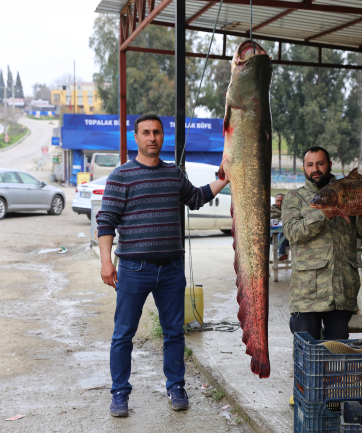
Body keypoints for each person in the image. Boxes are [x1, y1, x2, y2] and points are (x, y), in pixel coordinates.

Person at [96, 114, 229, 417]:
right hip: (133, 268)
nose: (152, 138)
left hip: (171, 269)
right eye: (146, 133)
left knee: (174, 333)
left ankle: (176, 386)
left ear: (163, 136)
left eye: (156, 132)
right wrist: (106, 263)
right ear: (136, 137)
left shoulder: (173, 174)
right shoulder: (121, 176)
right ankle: (119, 393)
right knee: (123, 334)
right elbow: (106, 222)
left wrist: (225, 178)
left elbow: (195, 198)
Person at [283, 146, 362, 341]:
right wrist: (321, 215)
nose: (315, 168)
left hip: (342, 289)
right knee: (306, 350)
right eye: (310, 164)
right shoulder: (295, 198)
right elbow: (293, 233)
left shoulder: (348, 192)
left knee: (337, 350)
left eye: (320, 163)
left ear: (329, 165)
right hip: (307, 292)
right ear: (304, 168)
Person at [270, 193, 289, 260]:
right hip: (273, 238)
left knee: (284, 231)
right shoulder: (270, 211)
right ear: (275, 201)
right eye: (278, 201)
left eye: (282, 201)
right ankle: (281, 253)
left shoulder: (291, 211)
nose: (280, 203)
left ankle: (281, 253)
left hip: (288, 239)